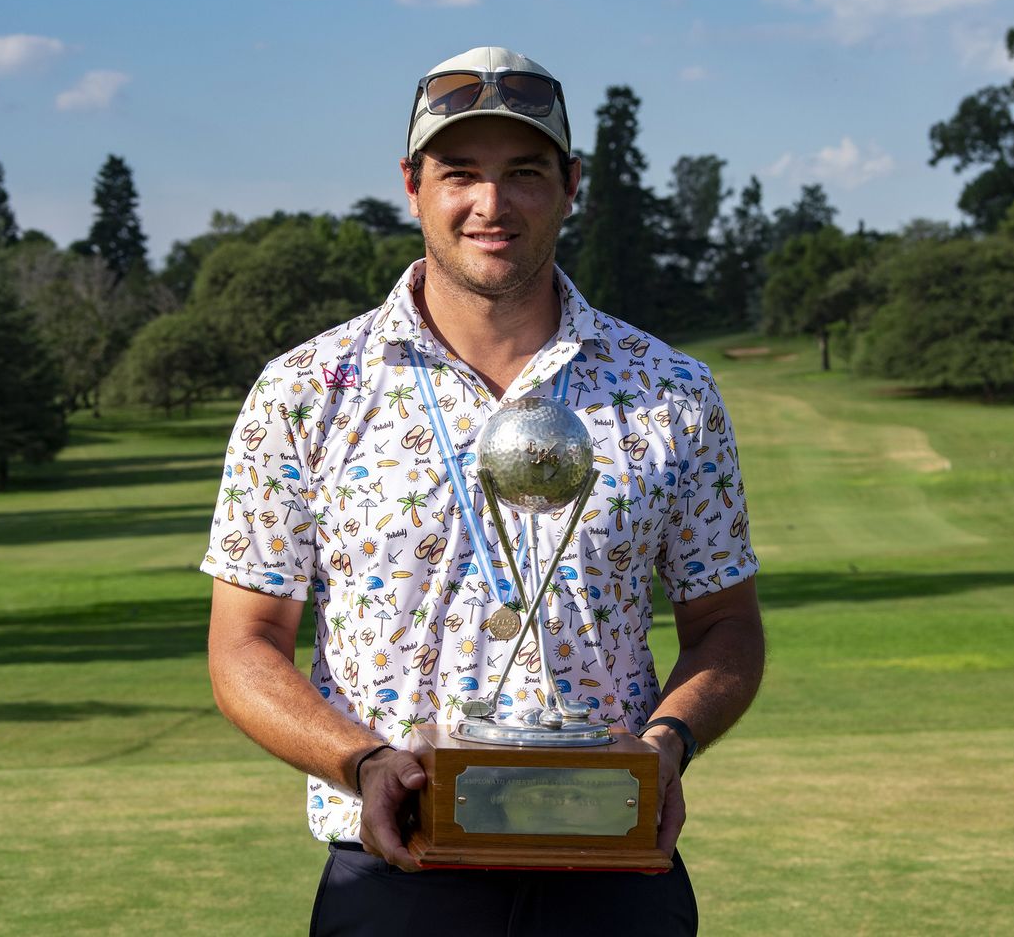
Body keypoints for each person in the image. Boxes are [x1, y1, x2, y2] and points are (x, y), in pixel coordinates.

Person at [204, 46, 764, 937]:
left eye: (525, 174)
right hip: (392, 865)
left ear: (572, 185)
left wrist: (667, 746)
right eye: (460, 173)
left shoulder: (671, 391)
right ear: (412, 183)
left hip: (614, 867)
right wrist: (362, 764)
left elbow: (727, 628)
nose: (491, 206)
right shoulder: (306, 390)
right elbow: (244, 645)